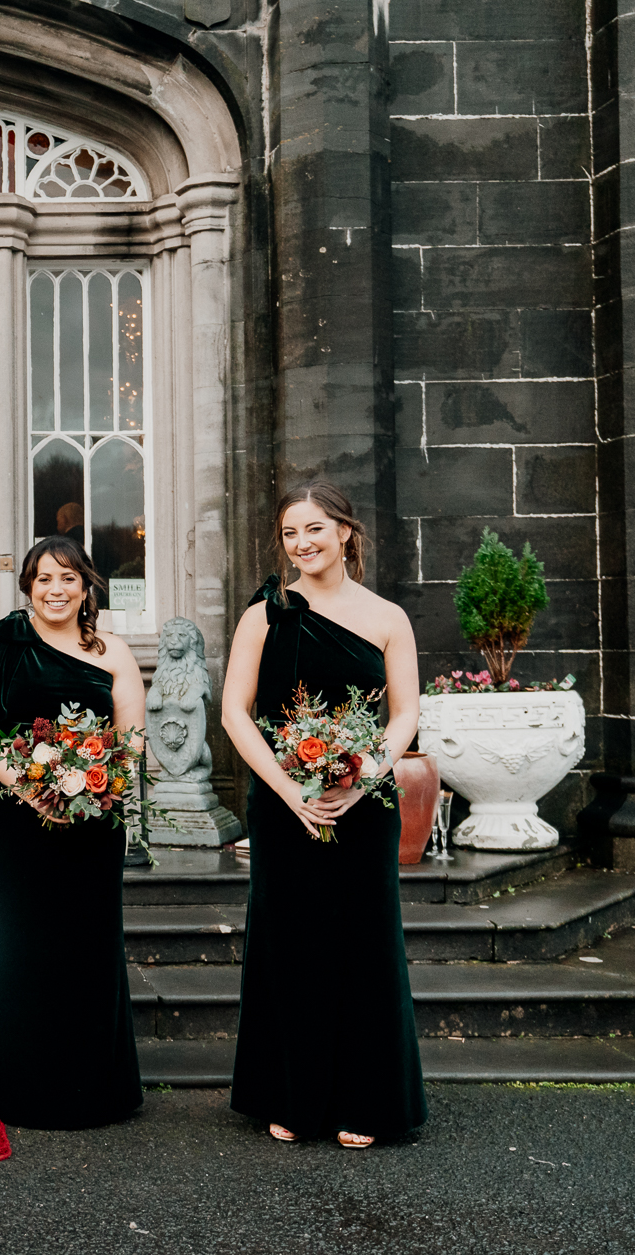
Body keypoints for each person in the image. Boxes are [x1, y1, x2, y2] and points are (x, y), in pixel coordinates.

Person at [220, 481, 427, 1149]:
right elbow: (234, 712)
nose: (302, 544)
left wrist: (363, 778)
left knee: (363, 950)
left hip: (364, 808)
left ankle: (364, 1103)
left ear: (345, 532)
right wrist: (286, 790)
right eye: (289, 534)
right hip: (285, 807)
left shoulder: (388, 617)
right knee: (292, 948)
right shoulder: (266, 612)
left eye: (314, 529)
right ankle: (290, 1097)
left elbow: (405, 716)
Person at [0, 534, 147, 1129]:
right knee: (19, 945)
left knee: (86, 946)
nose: (55, 590)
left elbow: (130, 741)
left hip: (92, 820)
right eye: (43, 579)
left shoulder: (113, 652)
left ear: (87, 585)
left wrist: (93, 788)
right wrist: (36, 788)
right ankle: (14, 1082)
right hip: (20, 817)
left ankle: (93, 1086)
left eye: (68, 578)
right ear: (28, 588)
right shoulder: (5, 641)